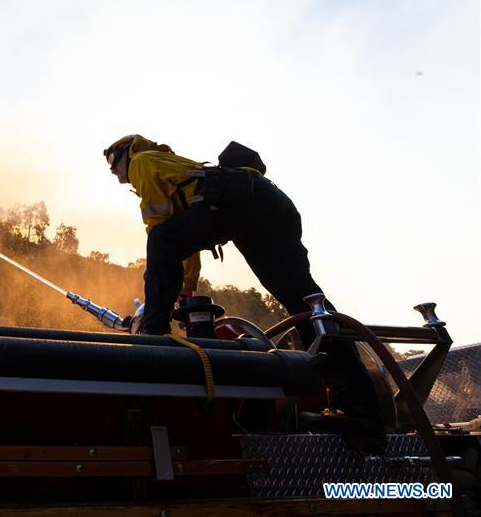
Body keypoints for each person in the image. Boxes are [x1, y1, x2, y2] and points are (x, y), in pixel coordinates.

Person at [104, 134, 384, 449]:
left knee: (158, 240)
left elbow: (161, 229)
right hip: (269, 203)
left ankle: (153, 338)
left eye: (113, 162)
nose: (113, 172)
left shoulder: (143, 161)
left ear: (127, 152)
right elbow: (183, 233)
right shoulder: (173, 167)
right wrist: (189, 284)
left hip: (234, 203)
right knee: (305, 301)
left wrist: (157, 314)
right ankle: (360, 413)